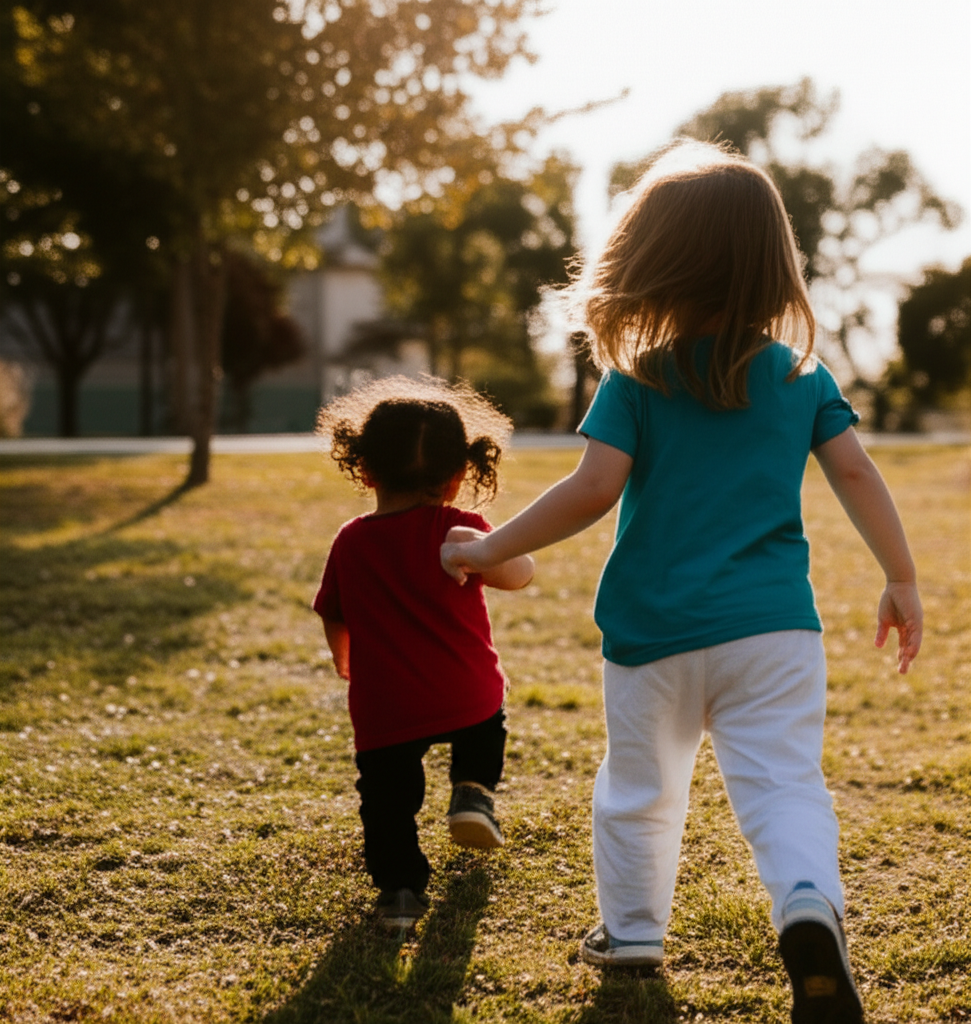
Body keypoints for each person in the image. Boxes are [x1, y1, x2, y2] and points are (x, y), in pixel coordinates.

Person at [441, 141, 922, 1023]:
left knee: (639, 789)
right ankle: (808, 903)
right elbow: (855, 475)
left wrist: (483, 547)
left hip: (652, 635)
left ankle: (630, 934)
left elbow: (591, 489)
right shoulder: (798, 373)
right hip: (774, 631)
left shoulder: (638, 377)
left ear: (652, 258)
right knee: (782, 786)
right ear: (773, 261)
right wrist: (899, 578)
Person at [313, 375, 534, 931]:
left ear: (366, 470)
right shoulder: (459, 529)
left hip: (385, 702)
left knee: (387, 802)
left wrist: (344, 659)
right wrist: (481, 551)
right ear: (457, 478)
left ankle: (401, 893)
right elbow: (520, 575)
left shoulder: (352, 539)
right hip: (465, 690)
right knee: (486, 725)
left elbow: (333, 612)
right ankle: (472, 793)